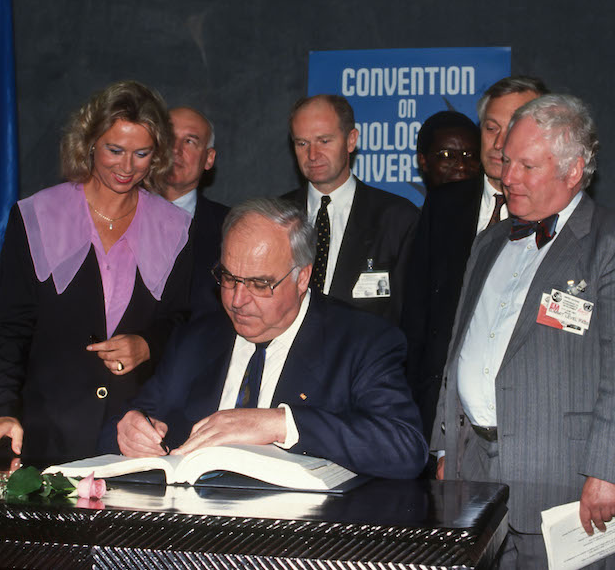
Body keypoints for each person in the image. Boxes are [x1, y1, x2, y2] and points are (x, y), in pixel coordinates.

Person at [433, 94, 615, 569]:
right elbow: (461, 345)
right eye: (505, 161)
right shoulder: (488, 242)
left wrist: (609, 473)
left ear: (573, 170)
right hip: (472, 471)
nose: (507, 177)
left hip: (566, 483)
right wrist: (443, 444)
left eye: (527, 166)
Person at [105, 198, 428, 479]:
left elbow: (405, 447)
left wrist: (281, 424)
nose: (237, 300)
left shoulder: (361, 341)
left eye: (260, 284)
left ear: (302, 277)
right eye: (229, 278)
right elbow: (130, 420)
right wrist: (132, 429)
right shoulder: (196, 339)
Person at [0, 80, 193, 463]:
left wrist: (148, 344)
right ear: (89, 143)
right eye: (114, 150)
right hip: (43, 438)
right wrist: (1, 410)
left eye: (141, 153)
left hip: (134, 444)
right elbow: (5, 327)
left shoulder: (175, 227)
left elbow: (186, 322)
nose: (127, 167)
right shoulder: (37, 215)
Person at [402, 76, 548, 441]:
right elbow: (416, 319)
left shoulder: (560, 216)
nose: (500, 143)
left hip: (525, 424)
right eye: (491, 128)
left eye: (514, 127)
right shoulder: (443, 205)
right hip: (437, 419)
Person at [282, 94, 418, 323]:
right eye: (302, 143)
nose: (312, 155)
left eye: (324, 141)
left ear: (351, 140)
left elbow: (410, 316)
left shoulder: (397, 218)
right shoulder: (275, 217)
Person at [162, 106, 230, 310]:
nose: (175, 149)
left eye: (189, 141)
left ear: (209, 158)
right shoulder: (117, 216)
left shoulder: (231, 227)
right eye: (168, 138)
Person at [414, 110, 481, 190]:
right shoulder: (400, 203)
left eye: (470, 155)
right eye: (447, 155)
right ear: (423, 161)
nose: (461, 166)